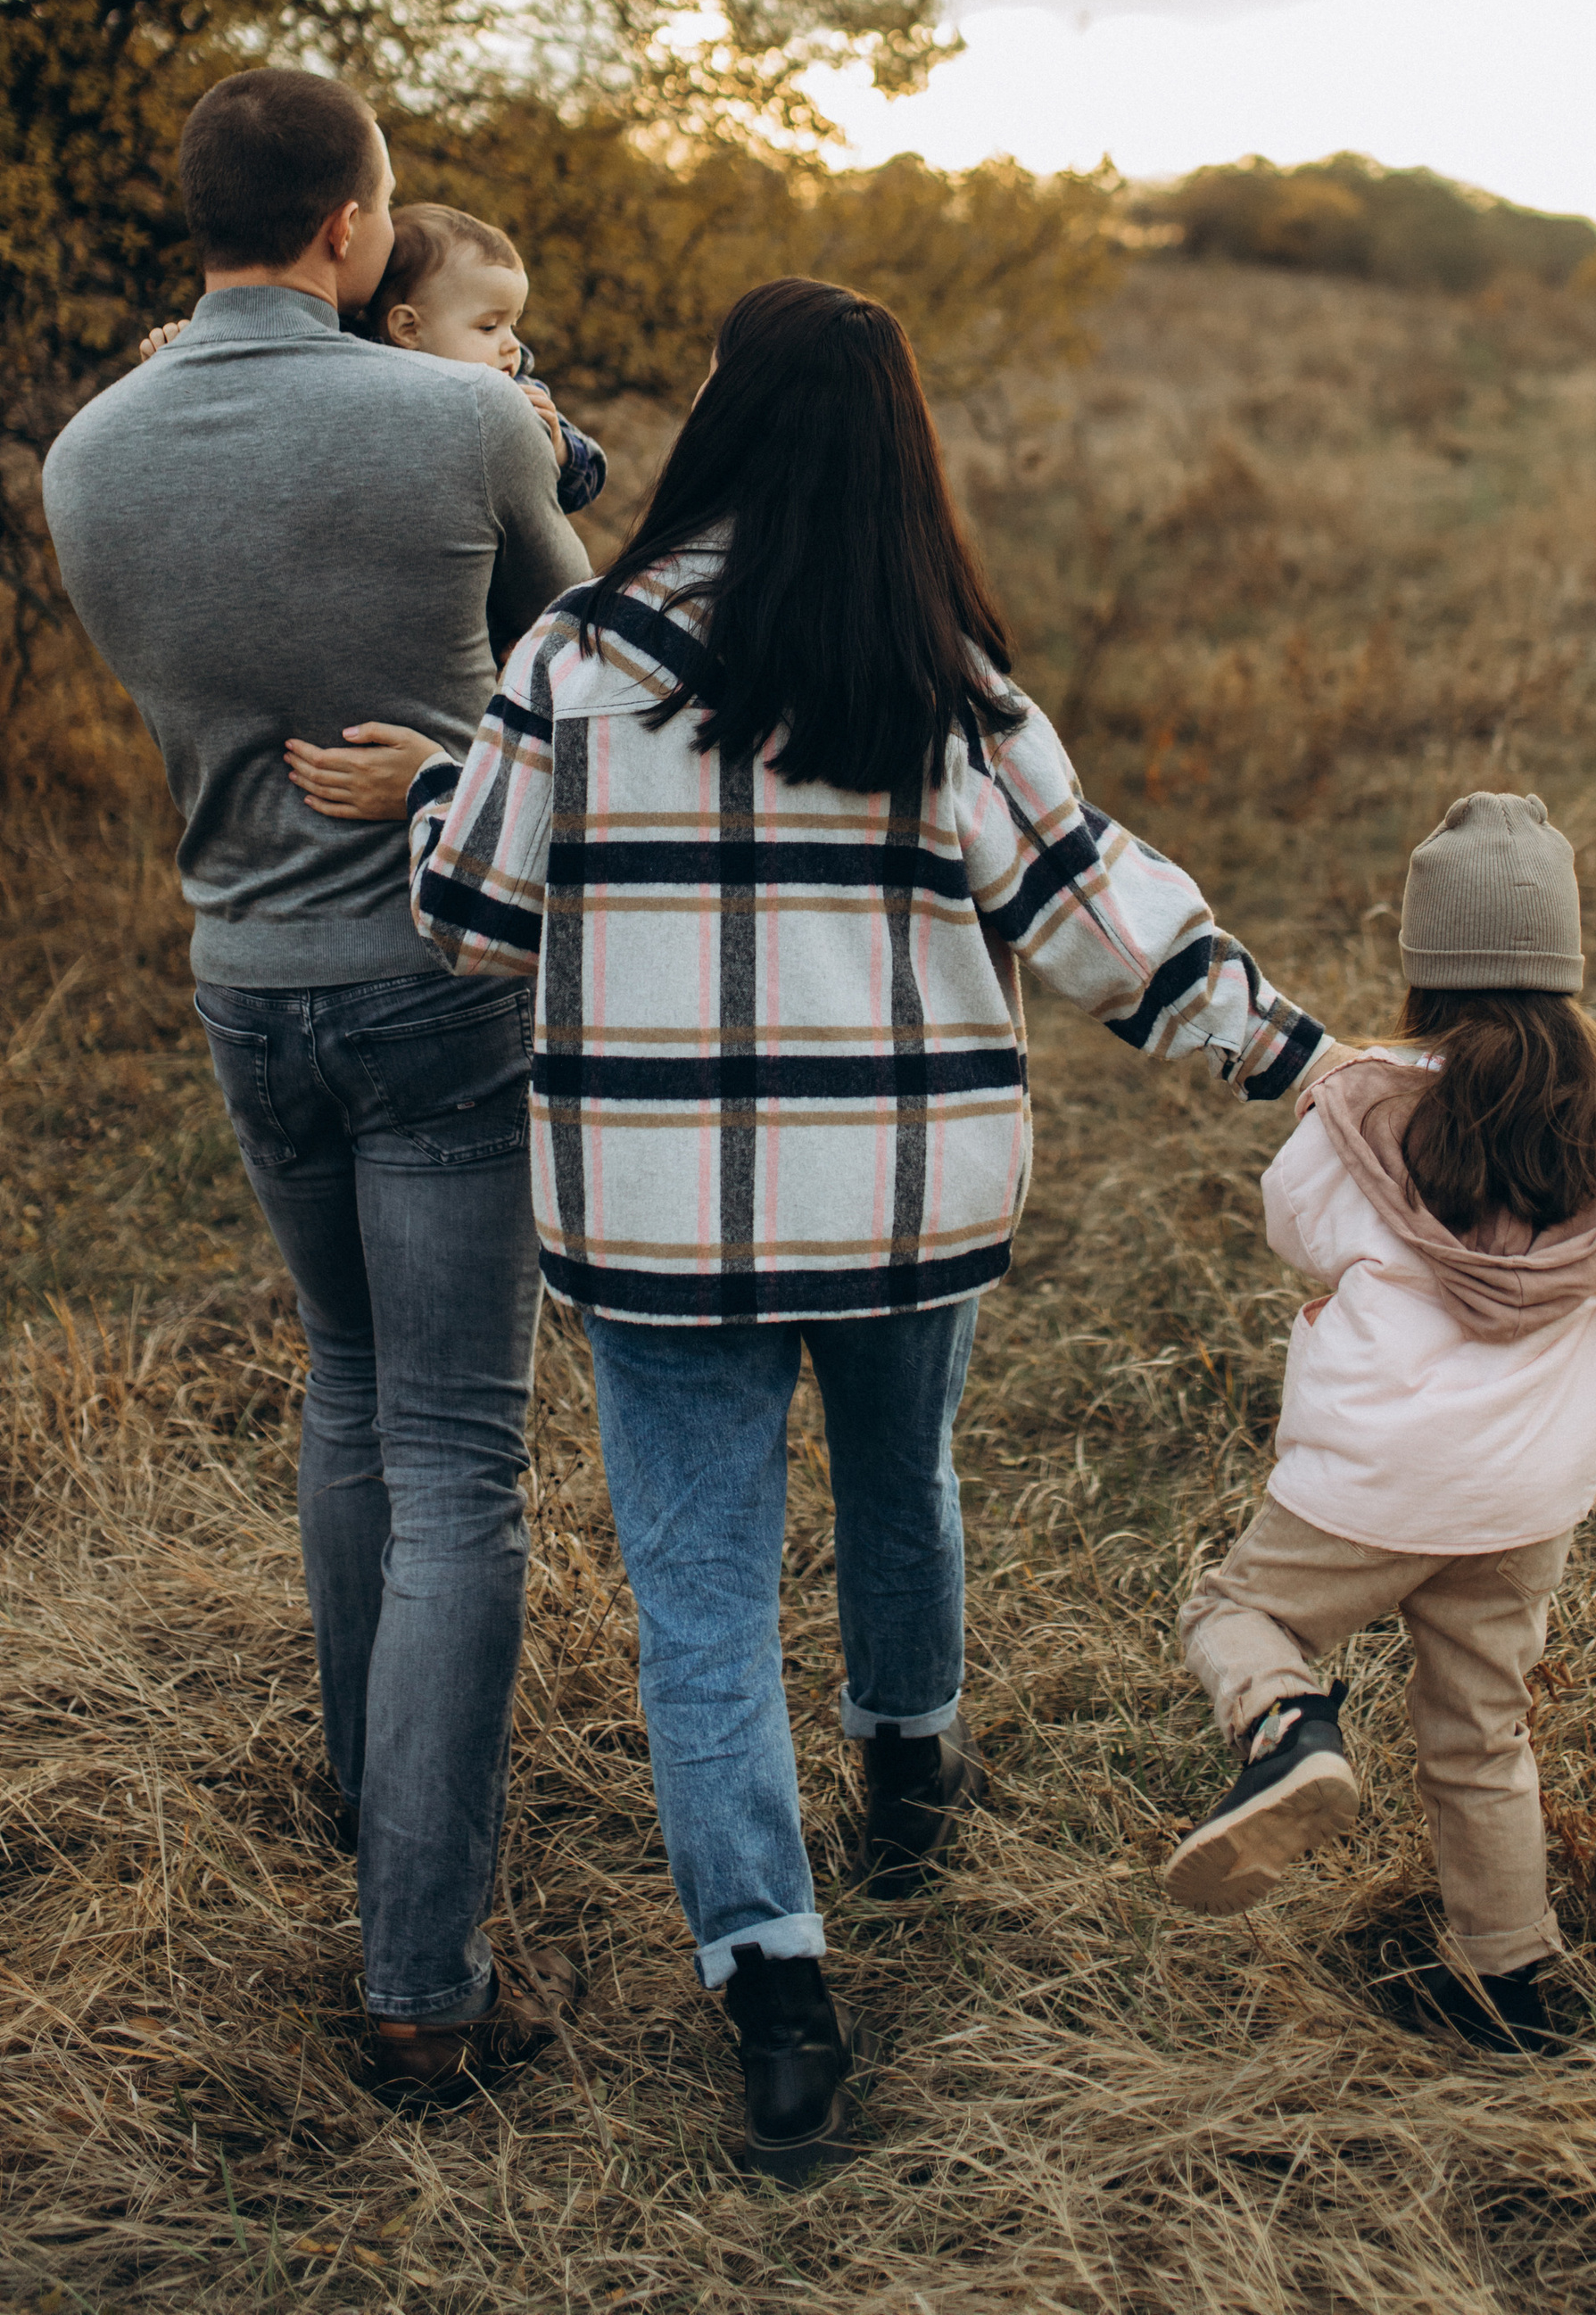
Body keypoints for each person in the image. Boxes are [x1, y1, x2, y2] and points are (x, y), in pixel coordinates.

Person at [285, 276, 1346, 2180]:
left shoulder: (578, 657)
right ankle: (911, 1777)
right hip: (900, 1201)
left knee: (700, 1603)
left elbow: (471, 923)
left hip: (657, 1223)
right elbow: (1101, 923)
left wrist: (447, 793)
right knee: (901, 1479)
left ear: (724, 420)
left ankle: (776, 2003)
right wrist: (1298, 1058)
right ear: (892, 450)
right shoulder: (934, 673)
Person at [39, 67, 592, 2110]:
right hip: (441, 983)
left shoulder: (85, 458)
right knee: (456, 1458)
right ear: (355, 227)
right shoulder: (460, 421)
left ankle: (388, 1810)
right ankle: (421, 1975)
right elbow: (596, 680)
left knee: (349, 1389)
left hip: (244, 986)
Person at [1164, 790, 1596, 2054]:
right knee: (1481, 1731)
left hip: (1370, 1479)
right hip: (1525, 1494)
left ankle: (1287, 1727)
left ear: (1421, 963)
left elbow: (1296, 1227)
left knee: (1235, 1615)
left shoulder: (1365, 1104)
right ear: (1565, 960)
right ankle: (1509, 1987)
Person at [139, 196, 608, 517]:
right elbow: (262, 392)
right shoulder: (343, 364)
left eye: (513, 324)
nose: (511, 345)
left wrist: (557, 450)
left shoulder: (517, 392)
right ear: (408, 329)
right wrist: (191, 355)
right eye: (489, 327)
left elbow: (588, 477)